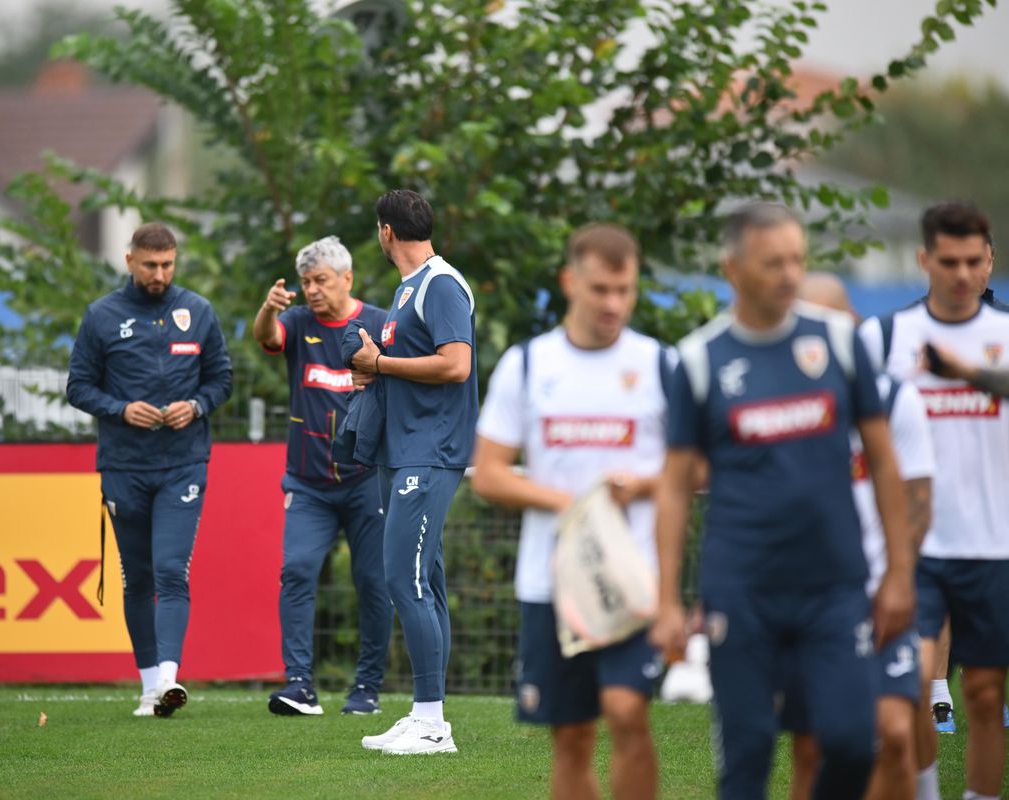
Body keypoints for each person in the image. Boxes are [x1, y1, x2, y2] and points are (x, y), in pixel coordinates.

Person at [650, 202, 915, 799]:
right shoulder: (698, 359)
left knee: (850, 742)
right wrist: (667, 599)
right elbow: (673, 484)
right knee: (747, 759)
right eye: (773, 263)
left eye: (797, 259)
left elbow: (883, 460)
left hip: (835, 588)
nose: (790, 274)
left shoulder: (841, 344)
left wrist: (899, 573)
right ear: (733, 269)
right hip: (742, 591)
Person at [471, 223, 668, 800]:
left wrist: (646, 484)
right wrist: (573, 505)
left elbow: (699, 467)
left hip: (634, 581)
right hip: (552, 582)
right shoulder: (528, 364)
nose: (613, 304)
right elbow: (488, 473)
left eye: (624, 290)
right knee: (573, 737)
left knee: (628, 712)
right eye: (601, 289)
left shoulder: (660, 364)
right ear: (569, 283)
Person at [859, 202, 1009, 800]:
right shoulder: (885, 337)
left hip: (993, 543)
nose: (962, 274)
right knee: (915, 683)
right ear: (925, 259)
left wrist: (967, 373)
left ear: (989, 259)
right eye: (948, 261)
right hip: (913, 545)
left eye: (974, 261)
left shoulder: (1004, 335)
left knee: (985, 693)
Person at [67, 222, 233, 717]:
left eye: (167, 265)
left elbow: (222, 378)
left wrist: (198, 406)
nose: (159, 274)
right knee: (136, 579)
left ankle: (167, 680)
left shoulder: (198, 311)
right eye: (150, 265)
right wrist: (121, 409)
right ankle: (146, 687)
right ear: (130, 262)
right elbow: (78, 387)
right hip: (124, 465)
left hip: (183, 463)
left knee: (170, 571)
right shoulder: (101, 316)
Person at [785, 273, 935, 800]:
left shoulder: (894, 401)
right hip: (805, 600)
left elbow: (919, 502)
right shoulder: (780, 408)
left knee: (898, 728)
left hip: (884, 592)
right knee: (812, 749)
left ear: (853, 327)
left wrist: (897, 577)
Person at [348, 189, 478, 755]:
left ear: (385, 232)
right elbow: (413, 365)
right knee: (426, 581)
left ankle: (432, 725)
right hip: (405, 451)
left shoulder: (440, 283)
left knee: (405, 578)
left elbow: (456, 364)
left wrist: (379, 363)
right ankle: (428, 713)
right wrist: (375, 372)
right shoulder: (409, 288)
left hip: (431, 452)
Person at [252, 235, 393, 716]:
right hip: (308, 484)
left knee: (374, 582)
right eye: (305, 282)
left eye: (321, 280)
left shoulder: (377, 324)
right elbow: (267, 339)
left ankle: (367, 689)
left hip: (366, 481)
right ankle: (299, 685)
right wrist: (268, 309)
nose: (311, 290)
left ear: (347, 278)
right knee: (297, 571)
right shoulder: (295, 322)